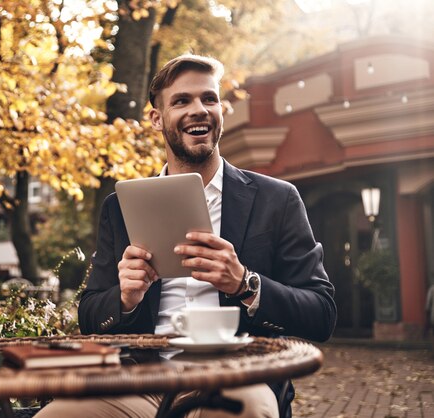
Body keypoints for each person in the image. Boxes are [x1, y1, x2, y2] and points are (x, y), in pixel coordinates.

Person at [36, 54, 337, 418]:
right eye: (182, 101)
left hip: (238, 376)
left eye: (209, 98)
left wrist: (246, 284)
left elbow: (322, 314)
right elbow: (90, 316)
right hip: (142, 381)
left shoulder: (278, 199)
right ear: (156, 119)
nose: (199, 109)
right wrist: (126, 298)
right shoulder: (120, 207)